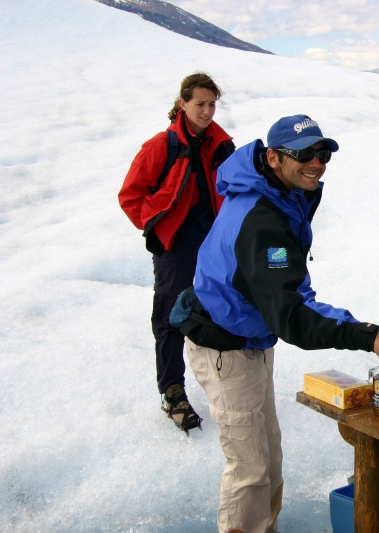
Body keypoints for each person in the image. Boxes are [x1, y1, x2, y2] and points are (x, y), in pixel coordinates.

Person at [170, 114, 379, 533]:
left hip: (247, 336)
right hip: (225, 348)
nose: (316, 163)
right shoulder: (262, 219)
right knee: (250, 469)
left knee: (268, 458)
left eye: (322, 153)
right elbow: (292, 315)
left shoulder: (276, 194)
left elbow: (284, 296)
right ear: (273, 157)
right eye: (304, 154)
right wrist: (368, 335)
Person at [118, 72, 235, 434]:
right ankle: (173, 391)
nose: (206, 111)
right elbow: (130, 196)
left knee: (219, 311)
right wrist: (157, 225)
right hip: (176, 244)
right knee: (170, 317)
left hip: (213, 241)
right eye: (200, 103)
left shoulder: (222, 145)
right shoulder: (161, 146)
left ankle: (226, 384)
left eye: (212, 104)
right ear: (182, 104)